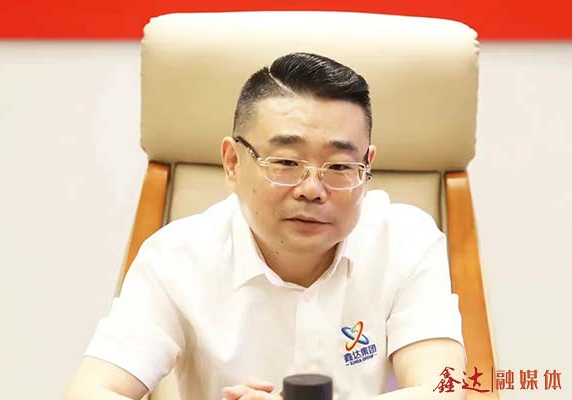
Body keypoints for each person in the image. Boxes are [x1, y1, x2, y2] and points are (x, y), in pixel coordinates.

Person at [64, 52, 466, 400]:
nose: (312, 190)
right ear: (232, 163)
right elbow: (90, 391)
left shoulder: (405, 241)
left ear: (367, 166)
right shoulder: (176, 258)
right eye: (286, 162)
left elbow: (443, 390)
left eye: (339, 166)